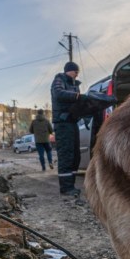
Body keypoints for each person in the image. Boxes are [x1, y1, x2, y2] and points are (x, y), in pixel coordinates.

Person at [50, 61, 85, 196]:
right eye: (75, 72)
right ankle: (66, 188)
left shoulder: (75, 86)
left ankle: (71, 184)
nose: (77, 75)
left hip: (72, 122)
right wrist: (76, 96)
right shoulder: (59, 81)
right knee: (66, 154)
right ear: (69, 71)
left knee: (75, 155)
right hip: (62, 123)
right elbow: (59, 94)